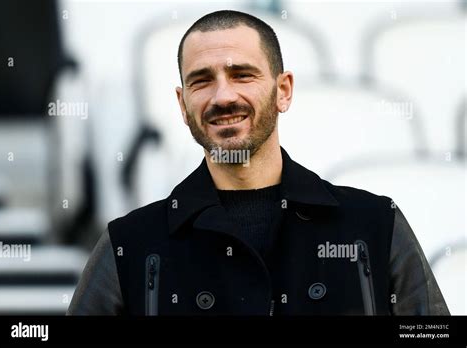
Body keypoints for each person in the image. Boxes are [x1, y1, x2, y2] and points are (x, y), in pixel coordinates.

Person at [67, 10, 449, 316]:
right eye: (202, 81)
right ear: (183, 106)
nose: (223, 96)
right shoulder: (130, 244)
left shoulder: (375, 224)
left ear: (283, 91)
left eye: (241, 75)